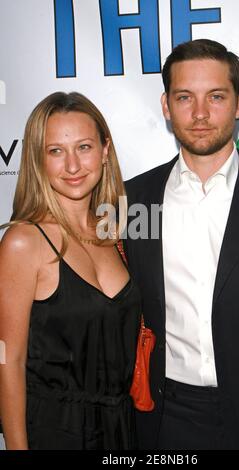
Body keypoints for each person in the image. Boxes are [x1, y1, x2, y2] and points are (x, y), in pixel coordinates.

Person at [124, 39, 239, 450]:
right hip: (162, 418)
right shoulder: (133, 201)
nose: (200, 113)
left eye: (216, 97)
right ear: (166, 106)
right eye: (185, 97)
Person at [0, 92, 141, 450]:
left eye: (84, 147)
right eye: (56, 151)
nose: (73, 166)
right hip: (54, 431)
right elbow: (9, 361)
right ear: (37, 159)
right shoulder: (23, 242)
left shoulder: (116, 233)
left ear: (105, 151)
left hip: (121, 426)